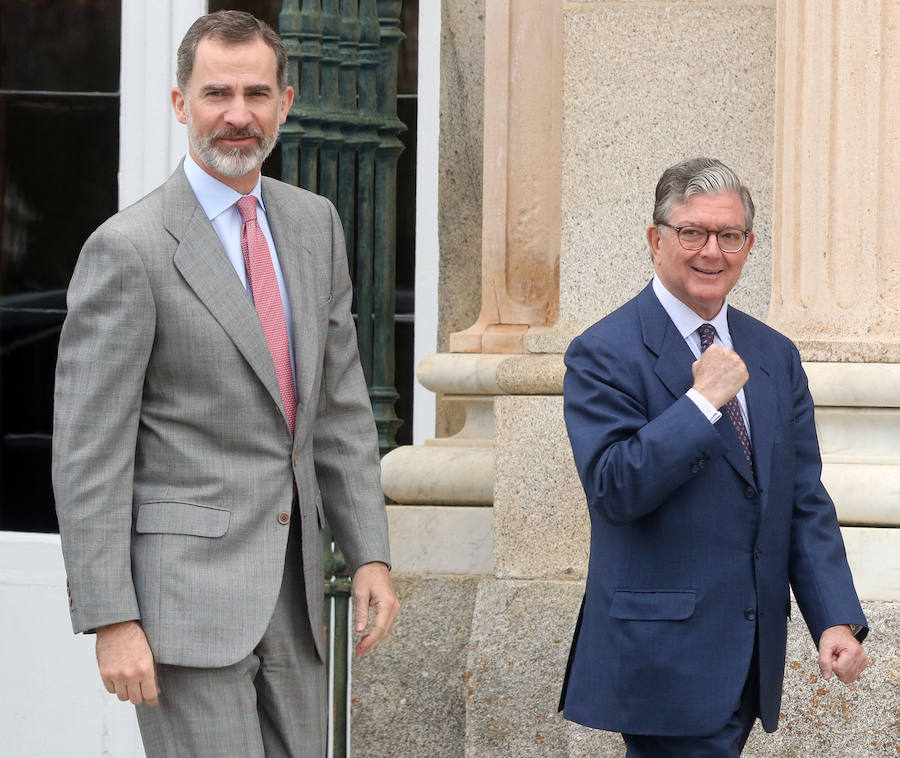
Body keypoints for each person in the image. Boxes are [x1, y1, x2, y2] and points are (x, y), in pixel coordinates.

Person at [52, 10, 399, 757]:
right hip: (182, 607)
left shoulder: (316, 226)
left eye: (255, 93)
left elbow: (338, 407)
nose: (237, 115)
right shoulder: (128, 249)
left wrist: (369, 549)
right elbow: (89, 455)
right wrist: (112, 618)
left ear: (286, 100)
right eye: (216, 94)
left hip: (298, 596)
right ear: (180, 103)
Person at [558, 157, 867, 757]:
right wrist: (701, 402)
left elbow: (800, 496)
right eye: (692, 232)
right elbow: (614, 488)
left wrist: (833, 615)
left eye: (729, 236)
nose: (711, 252)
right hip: (662, 657)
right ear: (656, 239)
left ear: (748, 246)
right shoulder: (602, 351)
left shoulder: (774, 353)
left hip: (751, 654)